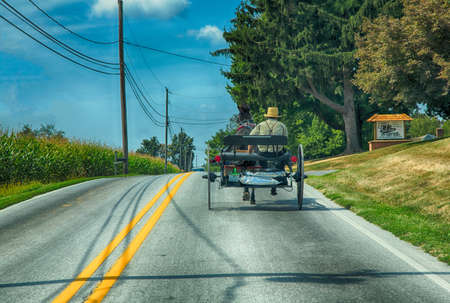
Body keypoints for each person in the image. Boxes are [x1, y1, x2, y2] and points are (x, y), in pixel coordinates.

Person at [248, 106, 288, 196]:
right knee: (284, 152)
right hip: (277, 154)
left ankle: (263, 173)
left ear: (267, 116)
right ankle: (280, 174)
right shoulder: (282, 126)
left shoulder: (261, 125)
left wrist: (249, 152)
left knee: (259, 154)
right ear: (277, 116)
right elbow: (285, 140)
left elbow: (251, 137)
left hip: (262, 154)